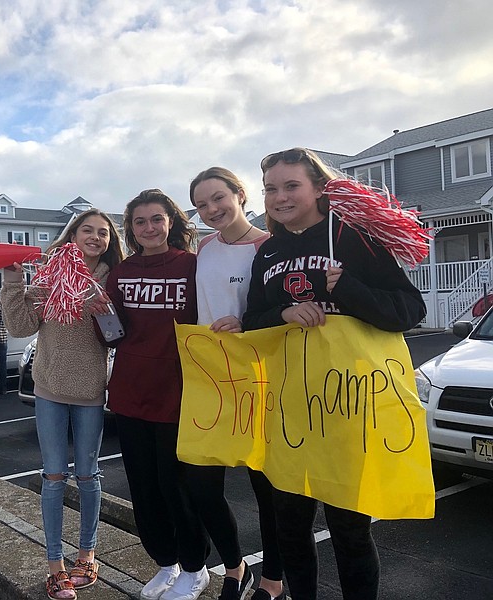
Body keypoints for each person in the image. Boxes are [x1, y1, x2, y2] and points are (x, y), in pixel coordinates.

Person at [242, 147, 427, 600]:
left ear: (320, 188)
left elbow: (409, 310)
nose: (279, 197)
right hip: (289, 412)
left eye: (291, 186)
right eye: (270, 188)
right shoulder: (268, 253)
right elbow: (252, 322)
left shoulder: (353, 238)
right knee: (290, 527)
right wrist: (284, 312)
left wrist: (346, 287)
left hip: (348, 409)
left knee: (349, 529)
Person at [0, 208, 124, 600]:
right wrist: (13, 282)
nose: (96, 237)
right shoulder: (51, 276)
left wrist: (103, 310)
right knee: (53, 477)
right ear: (72, 234)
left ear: (110, 241)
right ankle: (55, 566)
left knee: (88, 475)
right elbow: (20, 328)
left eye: (103, 232)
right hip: (49, 387)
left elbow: (119, 335)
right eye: (88, 230)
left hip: (90, 389)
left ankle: (87, 555)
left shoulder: (113, 278)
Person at [104, 189, 211, 600]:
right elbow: (113, 333)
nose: (149, 228)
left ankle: (195, 567)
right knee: (143, 486)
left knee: (177, 486)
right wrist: (94, 311)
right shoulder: (122, 273)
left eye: (157, 219)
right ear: (131, 229)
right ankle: (165, 562)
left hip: (179, 393)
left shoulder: (193, 267)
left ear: (171, 222)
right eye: (140, 221)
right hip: (130, 392)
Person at [188, 167, 284, 600]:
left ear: (240, 194)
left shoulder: (270, 246)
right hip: (211, 377)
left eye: (218, 198)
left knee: (267, 488)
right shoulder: (204, 246)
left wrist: (245, 324)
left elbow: (284, 310)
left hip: (262, 377)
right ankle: (235, 566)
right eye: (201, 205)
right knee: (203, 485)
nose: (211, 210)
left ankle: (273, 580)